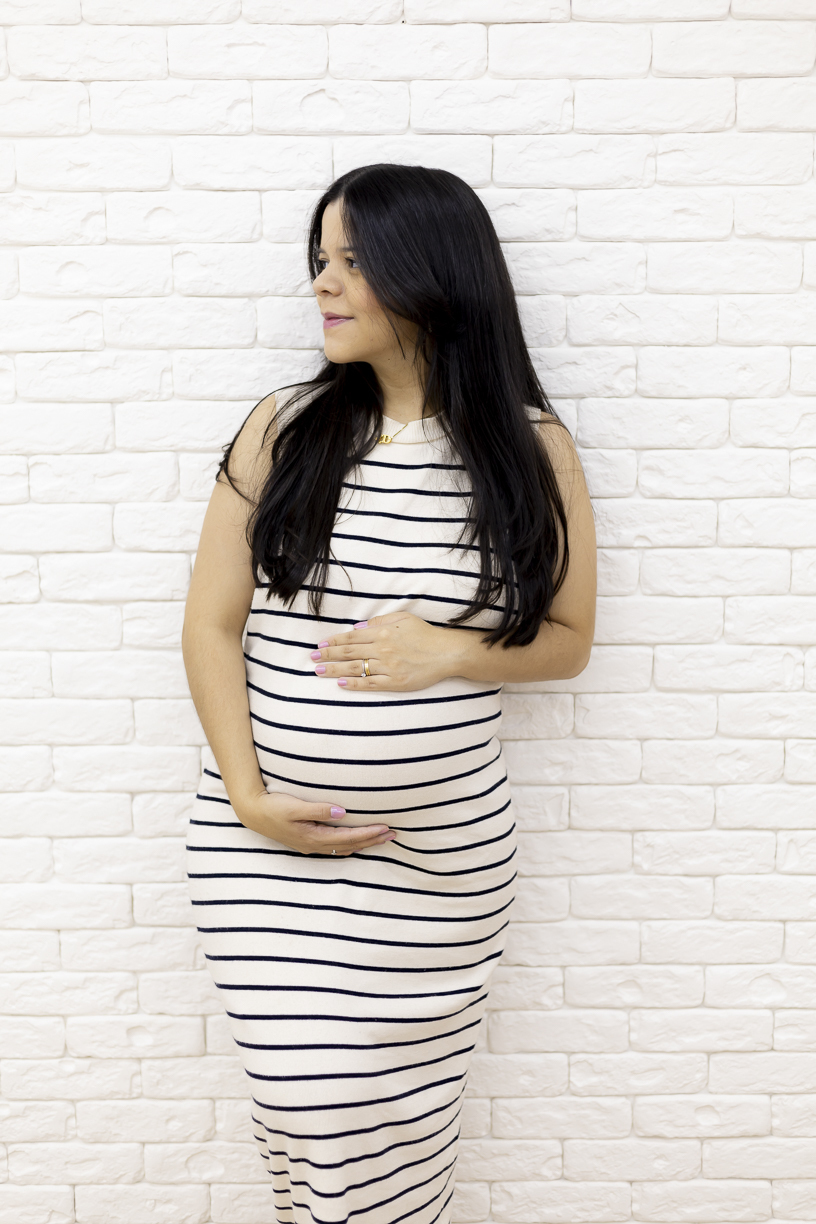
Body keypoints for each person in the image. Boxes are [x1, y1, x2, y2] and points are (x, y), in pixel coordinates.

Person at [182, 162, 596, 1224]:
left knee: (391, 1131)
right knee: (313, 1103)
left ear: (432, 271)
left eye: (354, 262)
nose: (323, 283)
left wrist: (447, 652)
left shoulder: (532, 448)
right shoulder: (283, 427)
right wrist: (247, 798)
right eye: (320, 260)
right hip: (263, 844)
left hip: (440, 870)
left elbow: (566, 645)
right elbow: (211, 624)